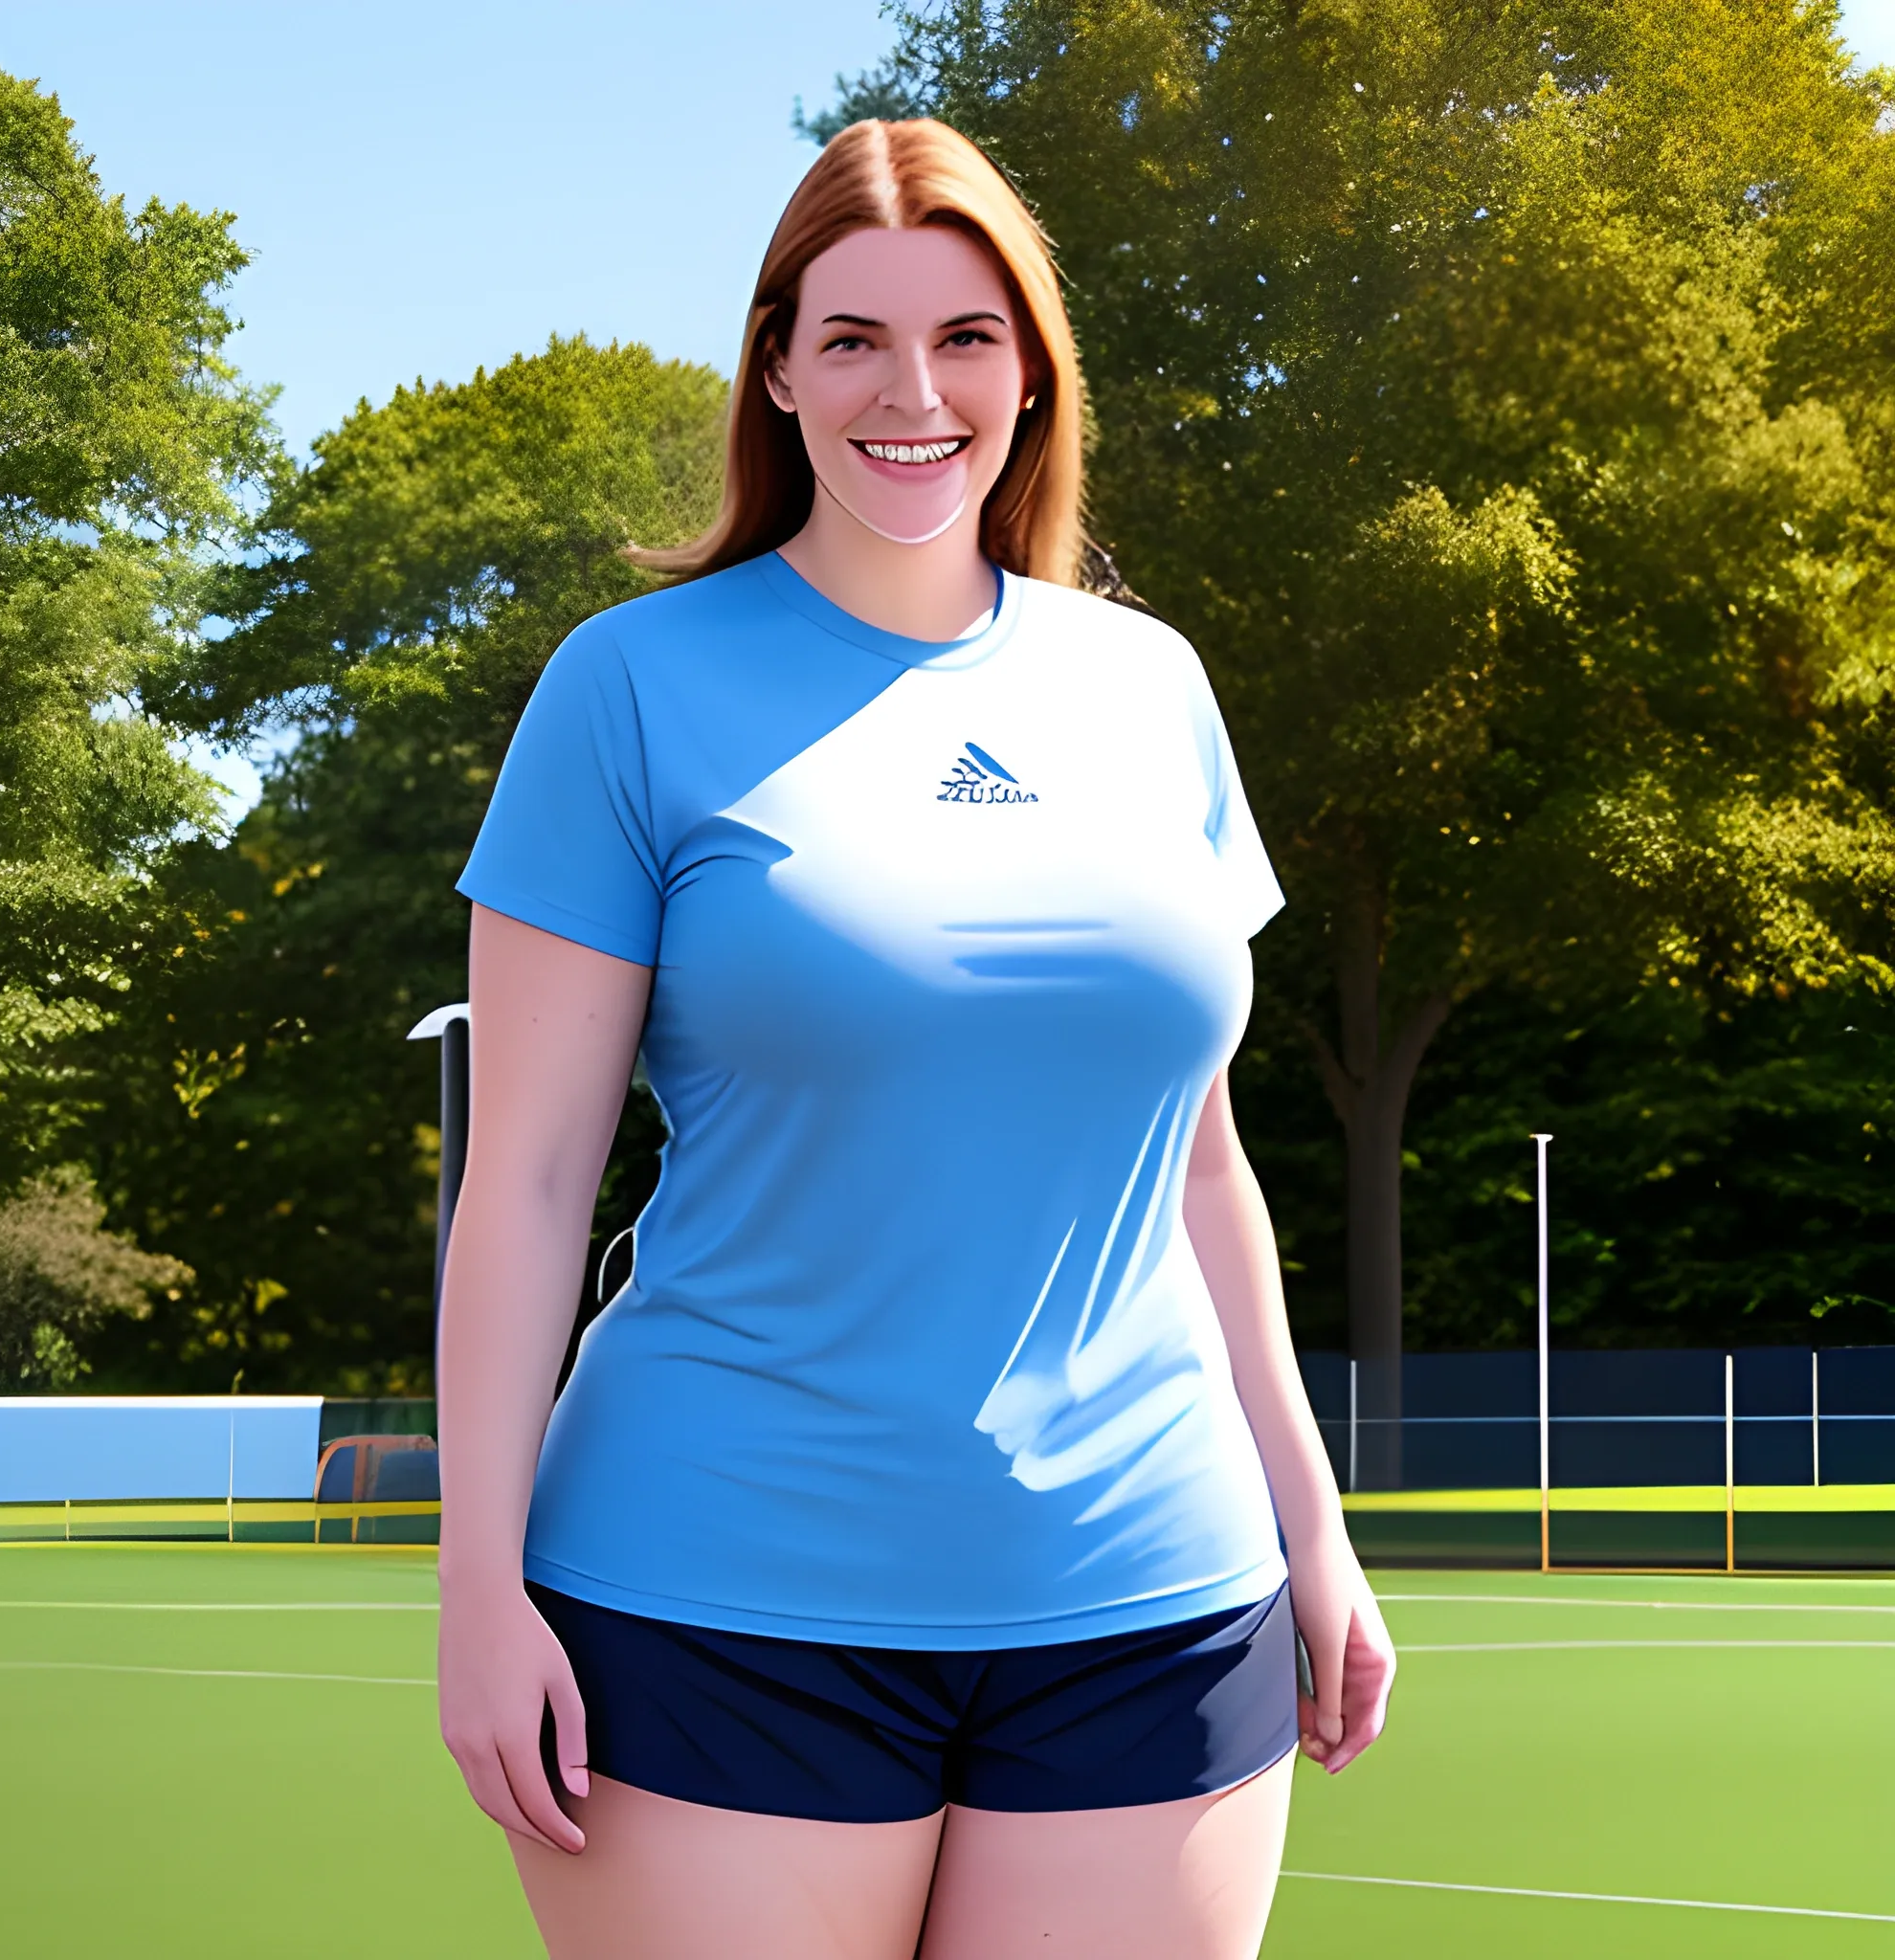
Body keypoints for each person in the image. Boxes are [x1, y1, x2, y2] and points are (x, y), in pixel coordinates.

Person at [435, 117, 1395, 1960]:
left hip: (1154, 1602)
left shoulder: (1151, 687)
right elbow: (531, 1181)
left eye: (966, 337)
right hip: (715, 1595)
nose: (913, 391)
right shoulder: (628, 686)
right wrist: (479, 1584)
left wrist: (1315, 1523)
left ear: (1030, 374)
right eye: (856, 337)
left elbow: (1200, 1160)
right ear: (779, 368)